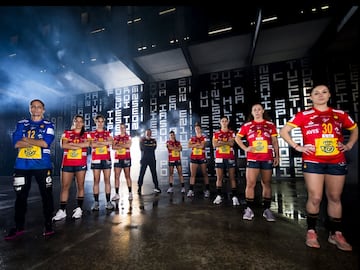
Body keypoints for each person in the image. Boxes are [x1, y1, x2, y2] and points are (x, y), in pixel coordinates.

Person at [279, 84, 358, 251]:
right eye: (316, 93)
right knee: (315, 197)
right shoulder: (304, 115)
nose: (320, 95)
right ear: (311, 97)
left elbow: (355, 129)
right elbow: (284, 131)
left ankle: (336, 233)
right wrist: (297, 146)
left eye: (324, 92)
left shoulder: (339, 114)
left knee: (335, 197)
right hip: (313, 160)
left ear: (329, 95)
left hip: (336, 160)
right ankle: (311, 231)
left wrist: (349, 145)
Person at [5, 99, 55, 240]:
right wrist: (33, 142)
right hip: (22, 166)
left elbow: (45, 143)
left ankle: (48, 225)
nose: (36, 109)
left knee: (46, 196)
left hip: (42, 166)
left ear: (43, 110)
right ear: (30, 109)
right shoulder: (22, 124)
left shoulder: (48, 125)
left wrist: (25, 140)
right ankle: (19, 227)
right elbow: (16, 144)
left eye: (39, 107)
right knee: (20, 197)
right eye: (33, 107)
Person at [235, 104, 279, 221]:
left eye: (259, 109)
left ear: (263, 111)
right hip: (253, 158)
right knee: (250, 183)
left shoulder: (270, 125)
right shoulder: (247, 125)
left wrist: (277, 156)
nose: (257, 111)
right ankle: (249, 209)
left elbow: (275, 141)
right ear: (252, 112)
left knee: (266, 183)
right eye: (255, 110)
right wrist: (245, 148)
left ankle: (267, 210)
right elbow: (237, 138)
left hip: (267, 158)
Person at [52, 115, 90, 221]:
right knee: (65, 187)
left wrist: (71, 144)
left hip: (80, 163)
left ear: (83, 123)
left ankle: (79, 208)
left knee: (80, 186)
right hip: (67, 163)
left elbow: (87, 144)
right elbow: (64, 146)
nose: (78, 123)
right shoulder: (67, 133)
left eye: (80, 121)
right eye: (76, 121)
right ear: (73, 122)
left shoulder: (87, 134)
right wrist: (79, 145)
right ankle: (62, 210)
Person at [89, 114, 114, 211]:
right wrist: (104, 143)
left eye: (102, 121)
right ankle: (96, 202)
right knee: (96, 181)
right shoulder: (91, 134)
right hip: (96, 159)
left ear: (104, 122)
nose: (100, 123)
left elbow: (111, 143)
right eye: (98, 121)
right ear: (95, 122)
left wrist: (98, 143)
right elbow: (92, 144)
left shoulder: (108, 133)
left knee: (107, 180)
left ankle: (108, 202)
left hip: (106, 159)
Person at [212, 116, 239, 205]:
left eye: (225, 121)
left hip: (230, 157)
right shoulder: (216, 133)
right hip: (219, 158)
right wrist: (226, 142)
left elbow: (232, 143)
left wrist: (221, 142)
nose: (224, 122)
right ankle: (219, 195)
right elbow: (215, 145)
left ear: (228, 122)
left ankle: (234, 197)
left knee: (232, 177)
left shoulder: (232, 133)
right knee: (219, 178)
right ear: (220, 123)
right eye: (222, 121)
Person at [187, 122, 210, 198]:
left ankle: (207, 190)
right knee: (193, 174)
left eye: (198, 128)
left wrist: (195, 145)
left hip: (202, 157)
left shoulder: (204, 137)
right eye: (195, 129)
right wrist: (196, 145)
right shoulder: (192, 138)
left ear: (200, 129)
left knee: (204, 173)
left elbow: (202, 146)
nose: (197, 130)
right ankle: (191, 190)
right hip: (194, 157)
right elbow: (188, 145)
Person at [112, 123, 133, 201]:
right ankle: (117, 194)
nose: (122, 129)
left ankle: (130, 193)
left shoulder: (128, 137)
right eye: (121, 127)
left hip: (126, 158)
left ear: (125, 128)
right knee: (116, 177)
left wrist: (118, 145)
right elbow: (113, 147)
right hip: (117, 158)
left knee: (127, 176)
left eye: (123, 127)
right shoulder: (116, 137)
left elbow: (129, 145)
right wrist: (123, 145)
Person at [137, 129, 161, 195]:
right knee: (142, 174)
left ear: (151, 133)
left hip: (152, 159)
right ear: (145, 133)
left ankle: (156, 187)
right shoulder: (142, 140)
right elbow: (142, 148)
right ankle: (139, 187)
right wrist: (149, 146)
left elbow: (154, 148)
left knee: (154, 173)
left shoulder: (154, 140)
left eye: (150, 133)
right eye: (147, 133)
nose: (148, 134)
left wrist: (148, 146)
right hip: (144, 159)